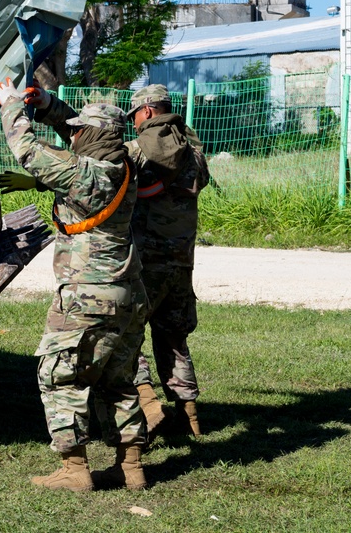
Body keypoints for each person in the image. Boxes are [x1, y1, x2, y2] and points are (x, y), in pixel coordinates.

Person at [0, 80, 150, 492]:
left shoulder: (81, 174)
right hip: (129, 293)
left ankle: (74, 470)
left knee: (60, 376)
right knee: (118, 380)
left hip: (86, 296)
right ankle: (130, 467)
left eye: (79, 130)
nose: (73, 134)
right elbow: (82, 133)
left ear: (91, 136)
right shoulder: (127, 164)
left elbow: (27, 150)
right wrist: (47, 106)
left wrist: (12, 106)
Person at [124, 84, 210, 438]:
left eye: (134, 116)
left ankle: (148, 403)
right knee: (174, 338)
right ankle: (190, 418)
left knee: (126, 335)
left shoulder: (138, 150)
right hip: (181, 261)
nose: (133, 124)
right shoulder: (193, 149)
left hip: (145, 262)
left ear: (147, 111)